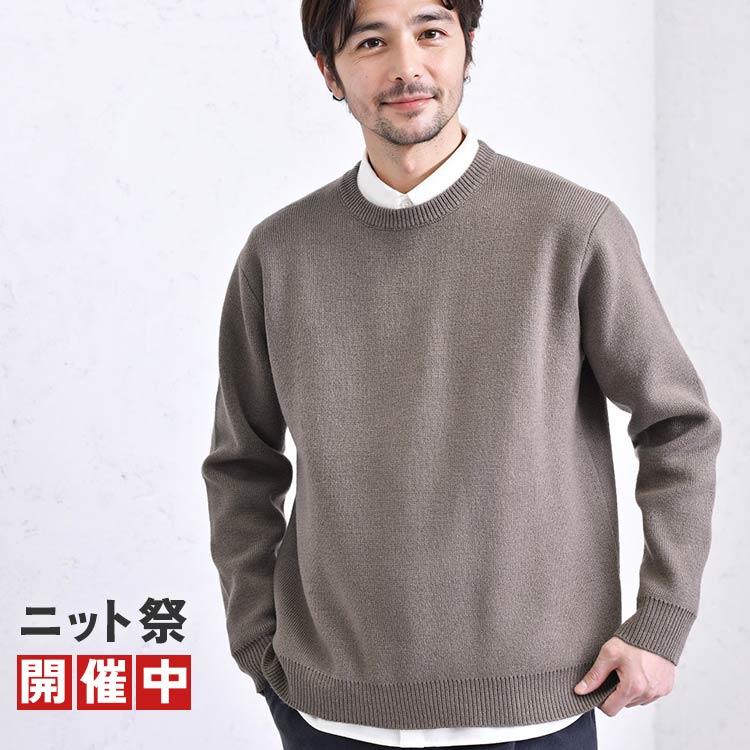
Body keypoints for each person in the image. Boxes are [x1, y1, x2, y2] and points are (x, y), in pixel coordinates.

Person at [200, 1, 722, 748]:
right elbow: (241, 464)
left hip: (537, 709)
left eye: (431, 33)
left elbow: (678, 426)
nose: (407, 66)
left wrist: (662, 621)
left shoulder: (571, 229)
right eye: (370, 42)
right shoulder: (278, 254)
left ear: (467, 47)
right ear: (328, 71)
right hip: (329, 714)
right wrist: (257, 643)